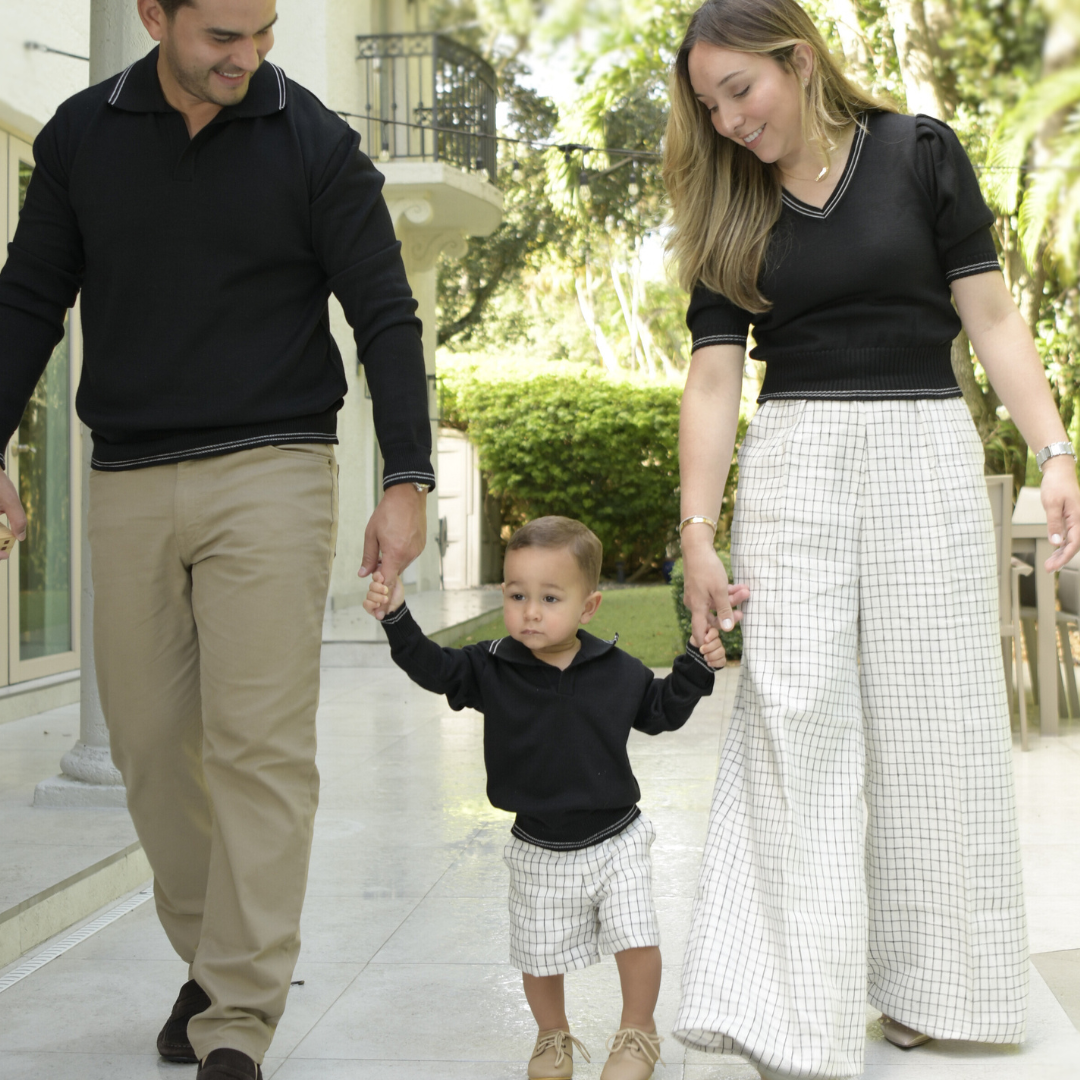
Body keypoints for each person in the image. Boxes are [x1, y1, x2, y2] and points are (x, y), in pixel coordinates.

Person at [0, 1, 435, 1077]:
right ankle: (216, 954)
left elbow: (385, 314)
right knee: (150, 752)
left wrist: (408, 476)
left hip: (274, 472)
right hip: (130, 476)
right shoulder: (79, 135)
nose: (249, 58)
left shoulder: (315, 143)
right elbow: (27, 303)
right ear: (154, 15)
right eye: (221, 37)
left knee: (258, 746)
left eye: (265, 32)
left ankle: (237, 1012)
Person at [662, 2, 1080, 1079]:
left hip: (924, 454)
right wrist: (697, 533)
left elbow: (989, 315)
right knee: (793, 720)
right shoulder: (727, 200)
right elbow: (714, 378)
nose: (728, 121)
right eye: (709, 106)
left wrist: (1055, 452)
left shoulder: (917, 153)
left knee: (934, 727)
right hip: (794, 462)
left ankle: (938, 990)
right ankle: (793, 1005)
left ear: (798, 61)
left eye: (740, 92)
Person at [364, 516, 741, 1080]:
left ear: (587, 607)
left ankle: (638, 1031)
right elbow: (432, 667)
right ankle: (551, 1035)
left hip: (618, 838)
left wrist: (695, 662)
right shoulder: (491, 666)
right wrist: (395, 616)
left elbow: (661, 711)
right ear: (503, 595)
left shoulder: (616, 671)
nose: (531, 611)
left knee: (636, 937)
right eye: (518, 596)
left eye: (549, 598)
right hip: (538, 845)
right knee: (538, 955)